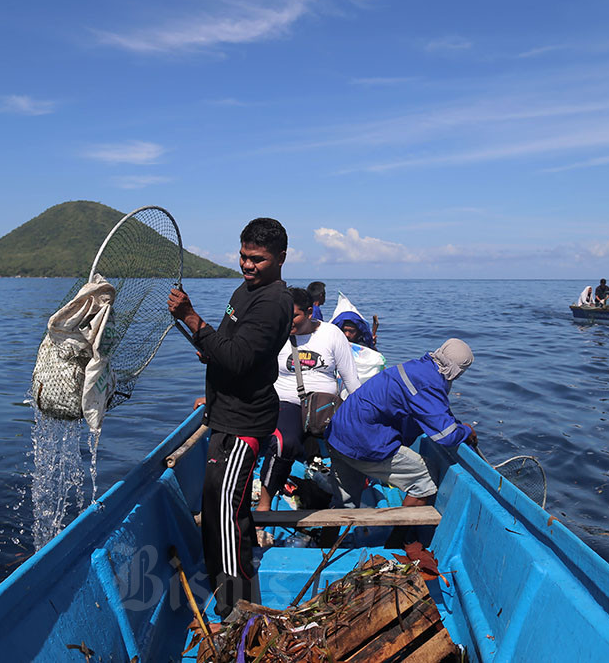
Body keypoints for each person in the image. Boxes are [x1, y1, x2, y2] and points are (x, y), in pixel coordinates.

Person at [168, 218, 294, 620]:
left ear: (280, 259)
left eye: (257, 259)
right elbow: (229, 344)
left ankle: (238, 611)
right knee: (222, 507)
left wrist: (191, 317)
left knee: (225, 513)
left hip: (244, 423)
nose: (247, 265)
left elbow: (238, 359)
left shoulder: (274, 301)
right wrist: (208, 345)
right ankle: (230, 597)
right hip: (224, 415)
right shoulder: (245, 290)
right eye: (242, 256)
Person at [324, 339, 478, 512]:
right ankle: (400, 538)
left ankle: (330, 537)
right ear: (458, 370)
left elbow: (435, 412)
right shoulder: (430, 383)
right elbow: (446, 436)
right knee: (424, 478)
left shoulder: (418, 367)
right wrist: (466, 430)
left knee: (345, 503)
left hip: (336, 434)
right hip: (361, 441)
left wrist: (455, 425)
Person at [257, 288, 361, 516]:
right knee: (285, 443)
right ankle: (264, 502)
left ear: (309, 312)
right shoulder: (275, 334)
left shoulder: (332, 334)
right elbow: (252, 372)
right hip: (287, 401)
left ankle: (347, 502)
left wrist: (366, 416)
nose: (287, 320)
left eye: (293, 315)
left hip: (325, 407)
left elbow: (351, 381)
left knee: (354, 442)